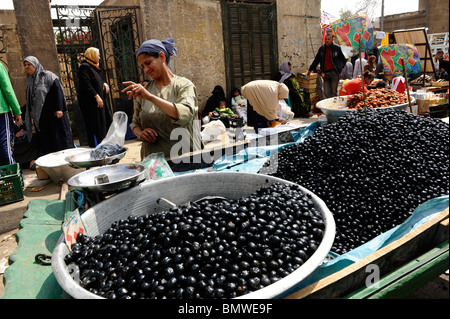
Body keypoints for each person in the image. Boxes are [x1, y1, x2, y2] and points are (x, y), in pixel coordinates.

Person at [122, 38, 202, 160]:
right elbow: (135, 124)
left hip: (185, 159)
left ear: (162, 57)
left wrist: (150, 97)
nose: (146, 70)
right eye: (143, 66)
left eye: (148, 63)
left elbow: (184, 114)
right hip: (154, 163)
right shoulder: (144, 91)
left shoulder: (184, 85)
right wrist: (140, 133)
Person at [23, 56, 73, 159]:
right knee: (47, 143)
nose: (26, 67)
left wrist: (59, 108)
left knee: (59, 140)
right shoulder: (29, 80)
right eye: (25, 65)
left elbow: (58, 91)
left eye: (29, 64)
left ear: (35, 65)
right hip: (40, 117)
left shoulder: (48, 76)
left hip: (54, 115)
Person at [77, 47, 112, 147]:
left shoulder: (93, 66)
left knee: (104, 123)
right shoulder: (84, 67)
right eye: (98, 55)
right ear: (91, 55)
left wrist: (104, 83)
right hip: (91, 104)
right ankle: (98, 148)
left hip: (99, 102)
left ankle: (104, 146)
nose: (100, 58)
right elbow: (86, 84)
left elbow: (98, 79)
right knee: (96, 126)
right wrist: (96, 96)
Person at [307, 33, 346, 98]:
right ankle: (331, 104)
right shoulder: (322, 49)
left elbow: (344, 59)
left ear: (332, 40)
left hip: (335, 73)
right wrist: (310, 69)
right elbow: (316, 60)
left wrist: (340, 68)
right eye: (326, 39)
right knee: (326, 93)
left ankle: (334, 107)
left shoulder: (337, 48)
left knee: (334, 92)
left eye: (328, 39)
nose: (327, 40)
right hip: (325, 74)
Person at [0, 61, 22, 166]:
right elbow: (8, 90)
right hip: (1, 112)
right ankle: (12, 175)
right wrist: (17, 111)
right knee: (5, 144)